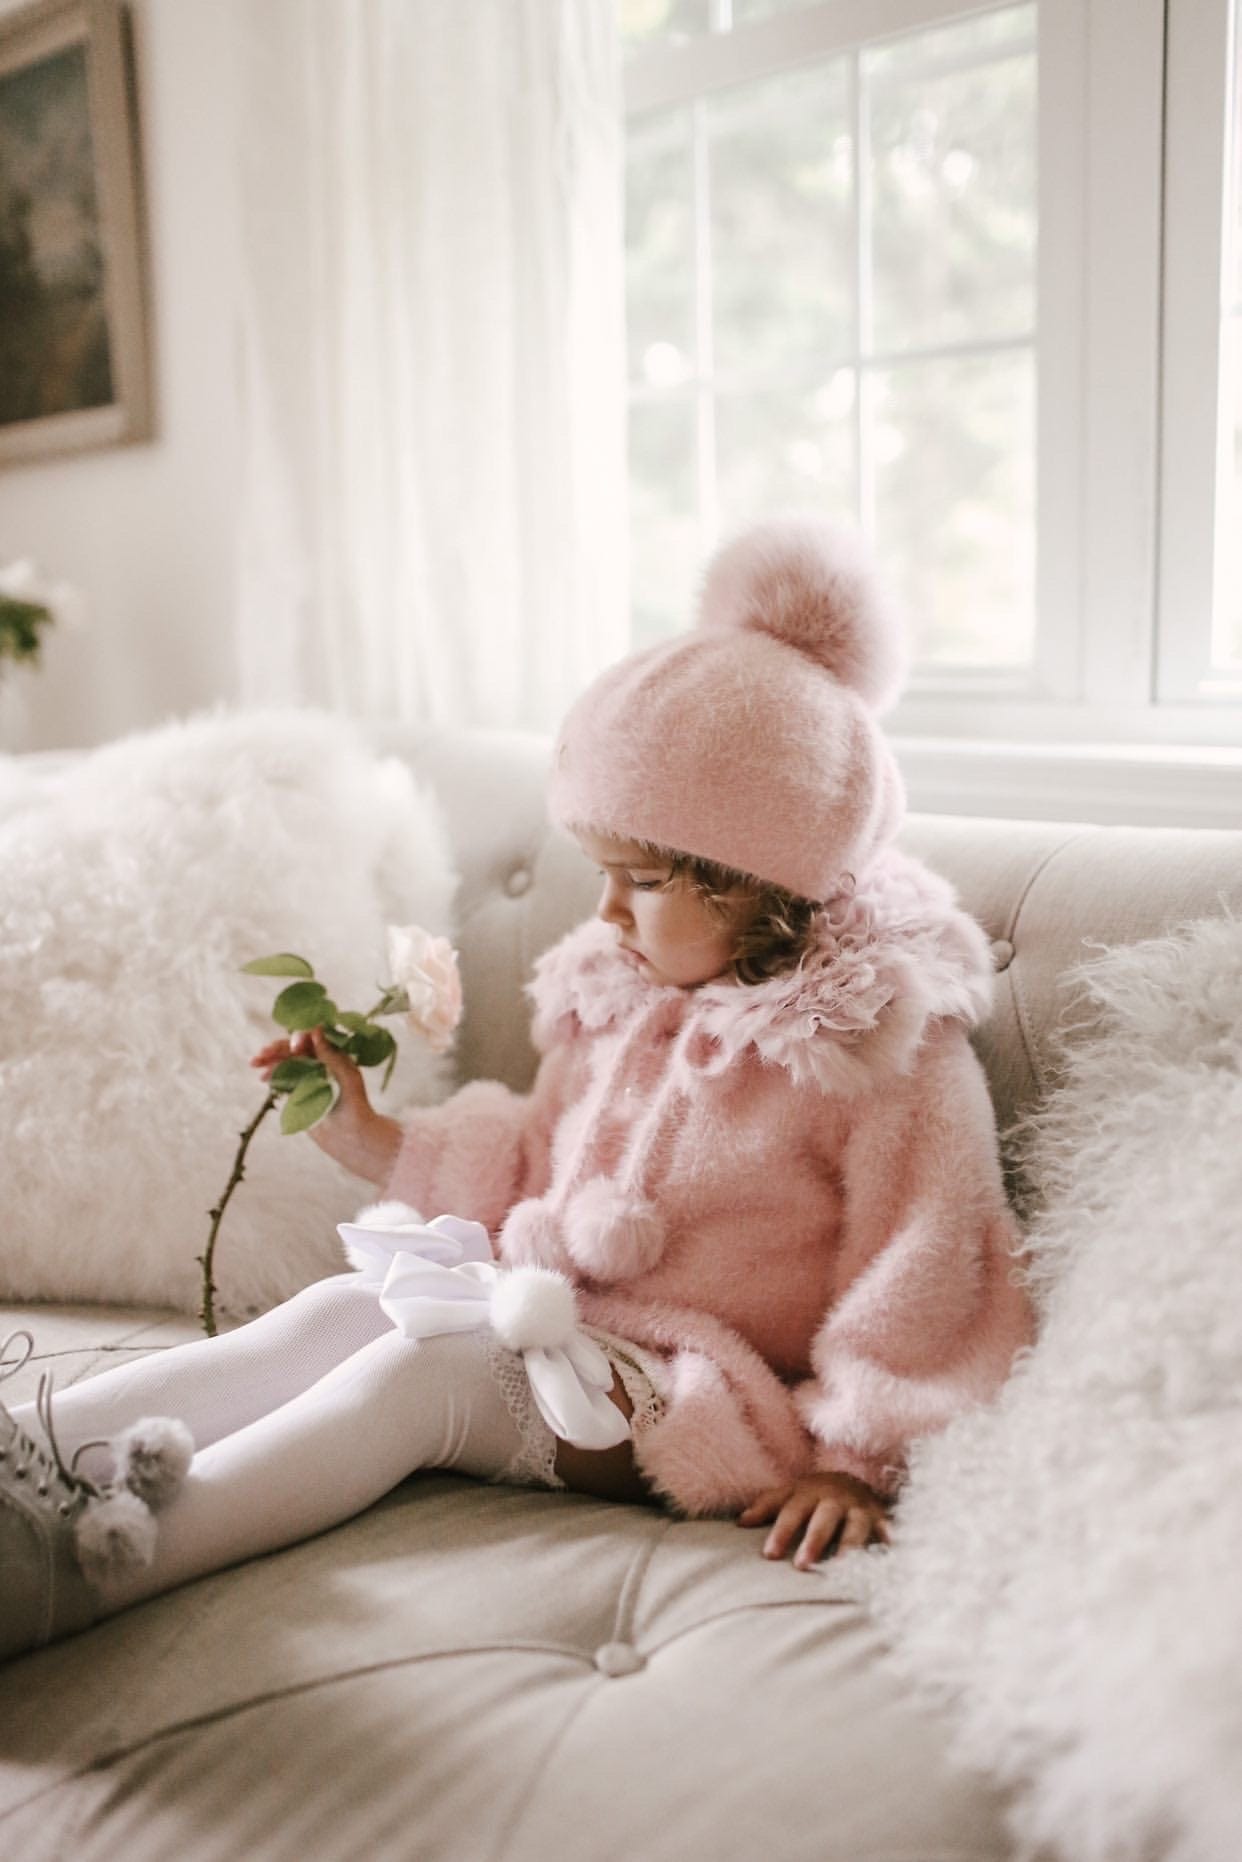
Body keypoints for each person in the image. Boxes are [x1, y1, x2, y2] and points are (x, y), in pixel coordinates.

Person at [0, 516, 1034, 1663]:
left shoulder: (879, 1048)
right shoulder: (622, 990)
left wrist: (860, 1458)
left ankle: (68, 1574)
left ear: (757, 880)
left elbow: (930, 1260)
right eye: (602, 874)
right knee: (343, 1309)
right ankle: (32, 1452)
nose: (604, 914)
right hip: (555, 1306)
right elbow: (541, 1158)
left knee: (419, 1373)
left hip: (699, 1388)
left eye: (639, 881)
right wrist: (382, 1139)